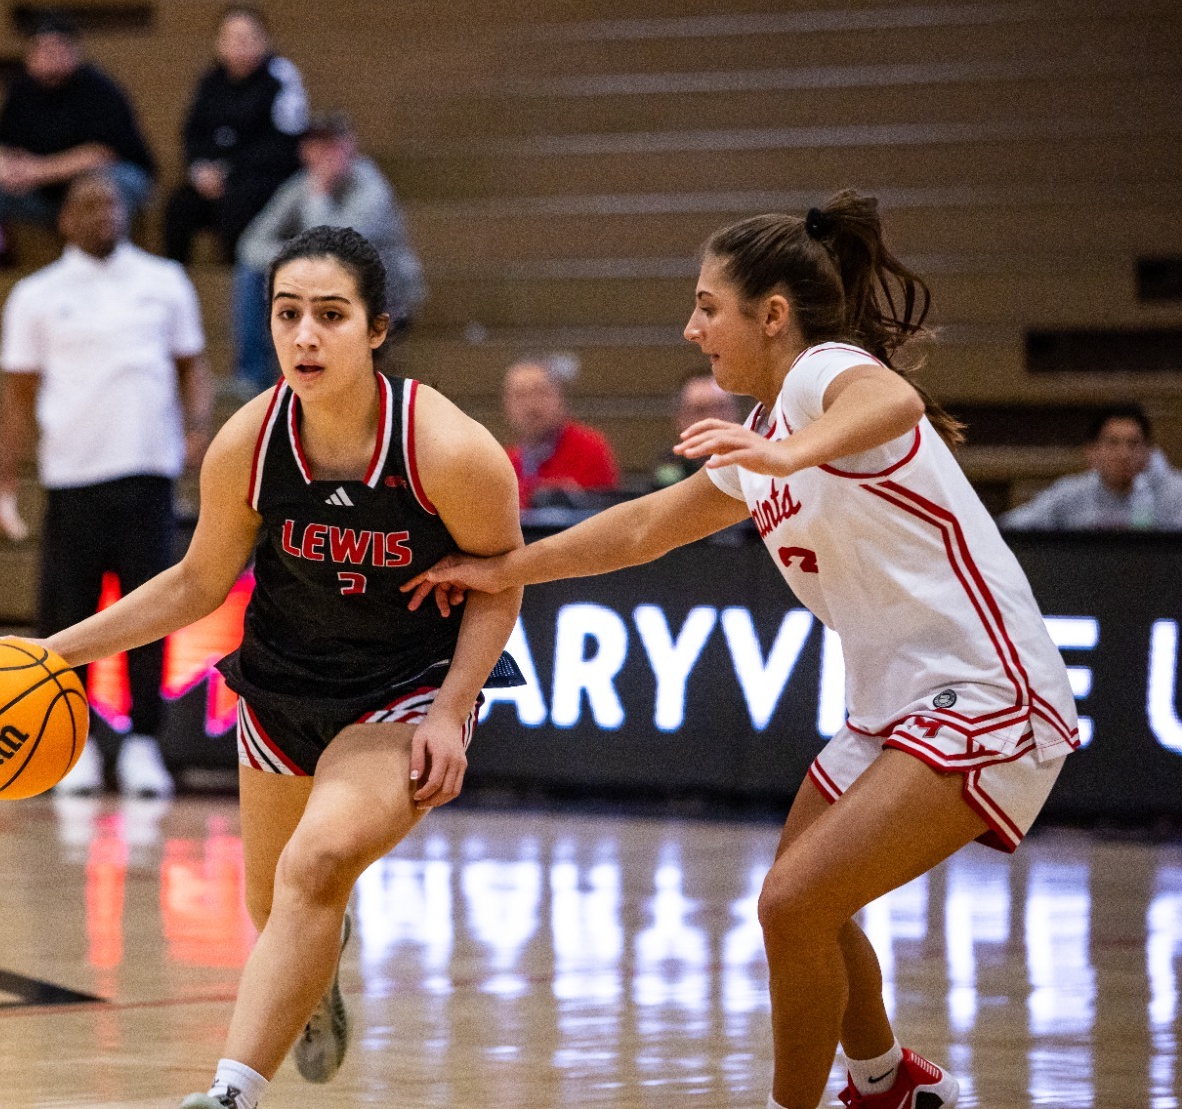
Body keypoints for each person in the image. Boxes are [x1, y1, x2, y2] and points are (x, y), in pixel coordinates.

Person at [402, 192, 1083, 1109]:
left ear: (773, 315)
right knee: (803, 901)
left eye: (707, 306)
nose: (692, 328)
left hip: (990, 694)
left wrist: (792, 454)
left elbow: (892, 395)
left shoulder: (819, 379)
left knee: (791, 905)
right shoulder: (767, 433)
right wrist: (502, 567)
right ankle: (888, 1083)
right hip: (894, 708)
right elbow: (642, 527)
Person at [14, 225, 524, 1108]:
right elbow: (194, 583)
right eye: (288, 314)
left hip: (398, 692)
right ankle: (315, 970)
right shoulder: (250, 441)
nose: (304, 336)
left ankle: (228, 1093)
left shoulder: (446, 446)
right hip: (280, 686)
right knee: (273, 898)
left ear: (376, 329)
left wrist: (452, 708)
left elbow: (501, 582)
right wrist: (54, 652)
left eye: (330, 315)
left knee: (314, 864)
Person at [0, 170, 214, 798]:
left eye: (111, 202)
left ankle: (145, 742)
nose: (102, 214)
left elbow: (192, 367)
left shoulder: (164, 282)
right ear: (65, 219)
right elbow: (15, 394)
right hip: (72, 478)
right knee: (69, 618)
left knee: (150, 611)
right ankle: (78, 743)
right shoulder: (35, 295)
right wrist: (3, 479)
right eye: (88, 205)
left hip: (147, 472)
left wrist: (198, 427)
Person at [231, 112, 423, 392]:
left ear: (350, 147)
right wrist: (293, 258)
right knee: (253, 272)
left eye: (331, 145)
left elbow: (336, 251)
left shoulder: (371, 187)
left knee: (332, 276)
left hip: (384, 290)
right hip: (326, 283)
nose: (323, 154)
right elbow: (250, 244)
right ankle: (253, 377)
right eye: (315, 145)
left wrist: (319, 194)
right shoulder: (301, 185)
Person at [0, 13, 156, 276]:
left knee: (108, 181)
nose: (49, 54)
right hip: (43, 195)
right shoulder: (21, 91)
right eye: (41, 48)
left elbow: (102, 153)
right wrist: (1, 168)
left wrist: (36, 171)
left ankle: (114, 275)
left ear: (75, 51)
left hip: (95, 186)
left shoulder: (98, 89)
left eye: (58, 47)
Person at [162, 5, 307, 265]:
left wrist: (230, 171)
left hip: (263, 179)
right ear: (220, 43)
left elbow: (284, 144)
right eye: (232, 38)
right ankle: (177, 281)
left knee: (236, 208)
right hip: (214, 179)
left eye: (248, 37)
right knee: (178, 208)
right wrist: (199, 169)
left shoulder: (280, 77)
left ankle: (234, 285)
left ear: (264, 40)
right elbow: (193, 134)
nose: (240, 45)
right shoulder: (211, 81)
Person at [999, 403, 1182, 531]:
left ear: (1148, 452)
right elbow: (1013, 526)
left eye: (1133, 444)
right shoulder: (1069, 494)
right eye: (1113, 443)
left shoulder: (1174, 494)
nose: (1124, 454)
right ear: (1092, 452)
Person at [501, 358, 619, 507]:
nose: (531, 405)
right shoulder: (504, 464)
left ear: (559, 398)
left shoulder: (591, 449)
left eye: (541, 392)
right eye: (520, 395)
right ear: (507, 405)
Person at [650, 373, 743, 488]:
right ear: (680, 419)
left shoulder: (754, 460)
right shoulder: (670, 467)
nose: (712, 418)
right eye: (700, 410)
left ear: (736, 412)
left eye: (721, 407)